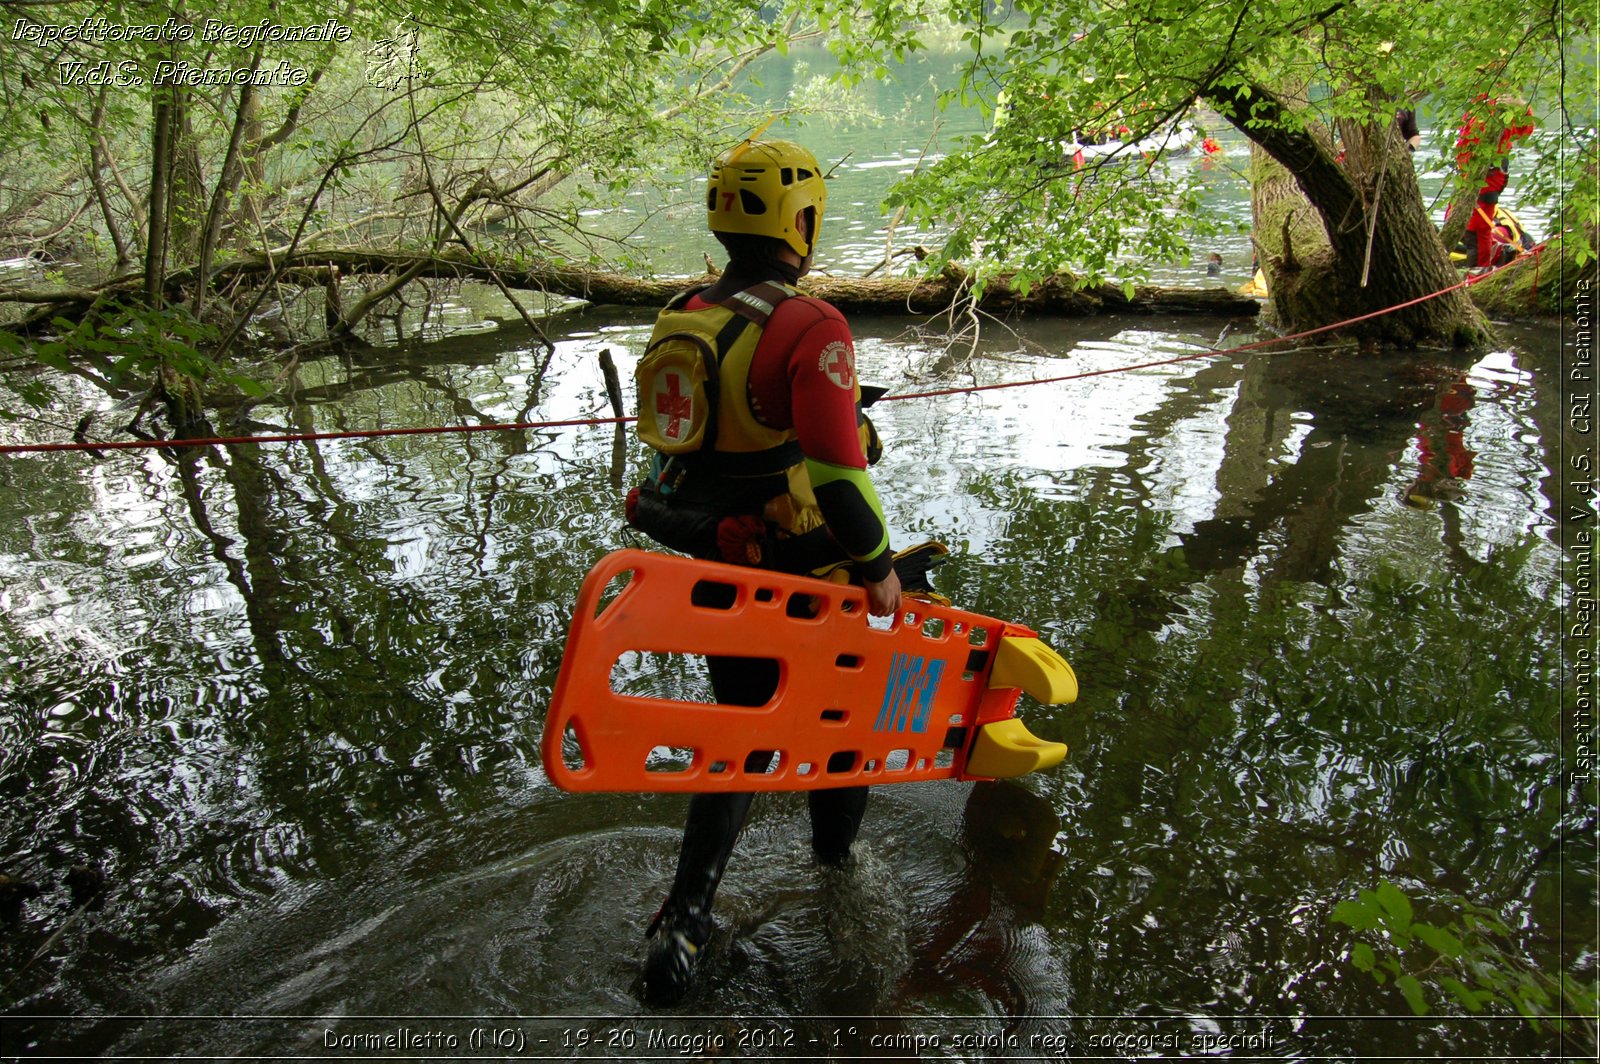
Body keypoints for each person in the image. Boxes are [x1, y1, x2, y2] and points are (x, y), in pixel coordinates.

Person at [630, 136, 903, 1007]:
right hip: (806, 571)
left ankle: (686, 913)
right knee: (846, 722)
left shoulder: (685, 310)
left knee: (744, 728)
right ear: (804, 219)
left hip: (718, 557)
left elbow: (712, 432)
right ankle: (836, 867)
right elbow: (835, 471)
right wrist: (879, 566)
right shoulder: (809, 322)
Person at [1453, 95, 1535, 269]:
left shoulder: (1502, 104)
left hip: (1488, 178)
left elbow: (1527, 127)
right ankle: (1475, 265)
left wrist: (1519, 104)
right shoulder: (1478, 101)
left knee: (1478, 228)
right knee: (1458, 219)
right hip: (1468, 177)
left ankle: (1480, 271)